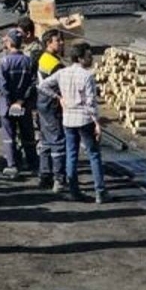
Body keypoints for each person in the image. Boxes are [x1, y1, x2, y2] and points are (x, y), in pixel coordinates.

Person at [38, 42, 107, 204]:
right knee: (94, 154)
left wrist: (58, 97)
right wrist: (96, 122)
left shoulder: (63, 73)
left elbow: (42, 85)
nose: (91, 58)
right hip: (84, 119)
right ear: (81, 58)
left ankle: (74, 190)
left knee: (71, 155)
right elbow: (90, 102)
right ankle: (100, 191)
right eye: (89, 56)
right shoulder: (87, 76)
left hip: (68, 119)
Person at [0, 29, 37, 179]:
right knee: (27, 133)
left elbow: (3, 86)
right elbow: (33, 83)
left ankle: (12, 164)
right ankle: (32, 162)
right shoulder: (28, 61)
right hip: (23, 105)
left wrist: (11, 102)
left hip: (8, 106)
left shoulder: (4, 62)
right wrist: (21, 101)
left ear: (9, 42)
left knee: (9, 134)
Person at [36, 29, 67, 192]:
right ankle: (59, 179)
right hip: (51, 104)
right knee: (57, 141)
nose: (61, 43)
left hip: (42, 103)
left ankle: (44, 175)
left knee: (45, 141)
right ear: (49, 43)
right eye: (58, 40)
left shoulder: (44, 58)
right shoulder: (54, 64)